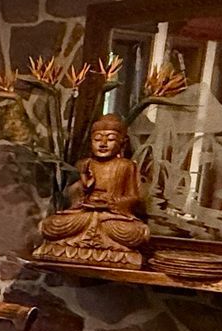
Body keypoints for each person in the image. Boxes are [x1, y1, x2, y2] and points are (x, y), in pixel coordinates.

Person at [33, 114, 150, 267]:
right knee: (50, 225)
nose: (103, 143)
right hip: (84, 213)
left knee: (137, 233)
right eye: (97, 139)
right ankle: (103, 251)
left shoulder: (126, 165)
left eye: (110, 139)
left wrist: (111, 203)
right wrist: (83, 186)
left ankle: (76, 249)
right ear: (91, 142)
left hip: (110, 217)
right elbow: (71, 195)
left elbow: (134, 197)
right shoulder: (84, 164)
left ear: (122, 142)